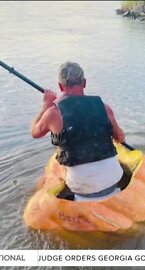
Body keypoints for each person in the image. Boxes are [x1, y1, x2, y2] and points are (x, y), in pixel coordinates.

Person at [31, 62, 125, 201]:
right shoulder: (105, 108)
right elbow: (121, 138)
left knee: (43, 179)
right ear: (84, 83)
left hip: (83, 190)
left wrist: (45, 105)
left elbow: (35, 132)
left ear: (60, 86)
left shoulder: (53, 113)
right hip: (113, 180)